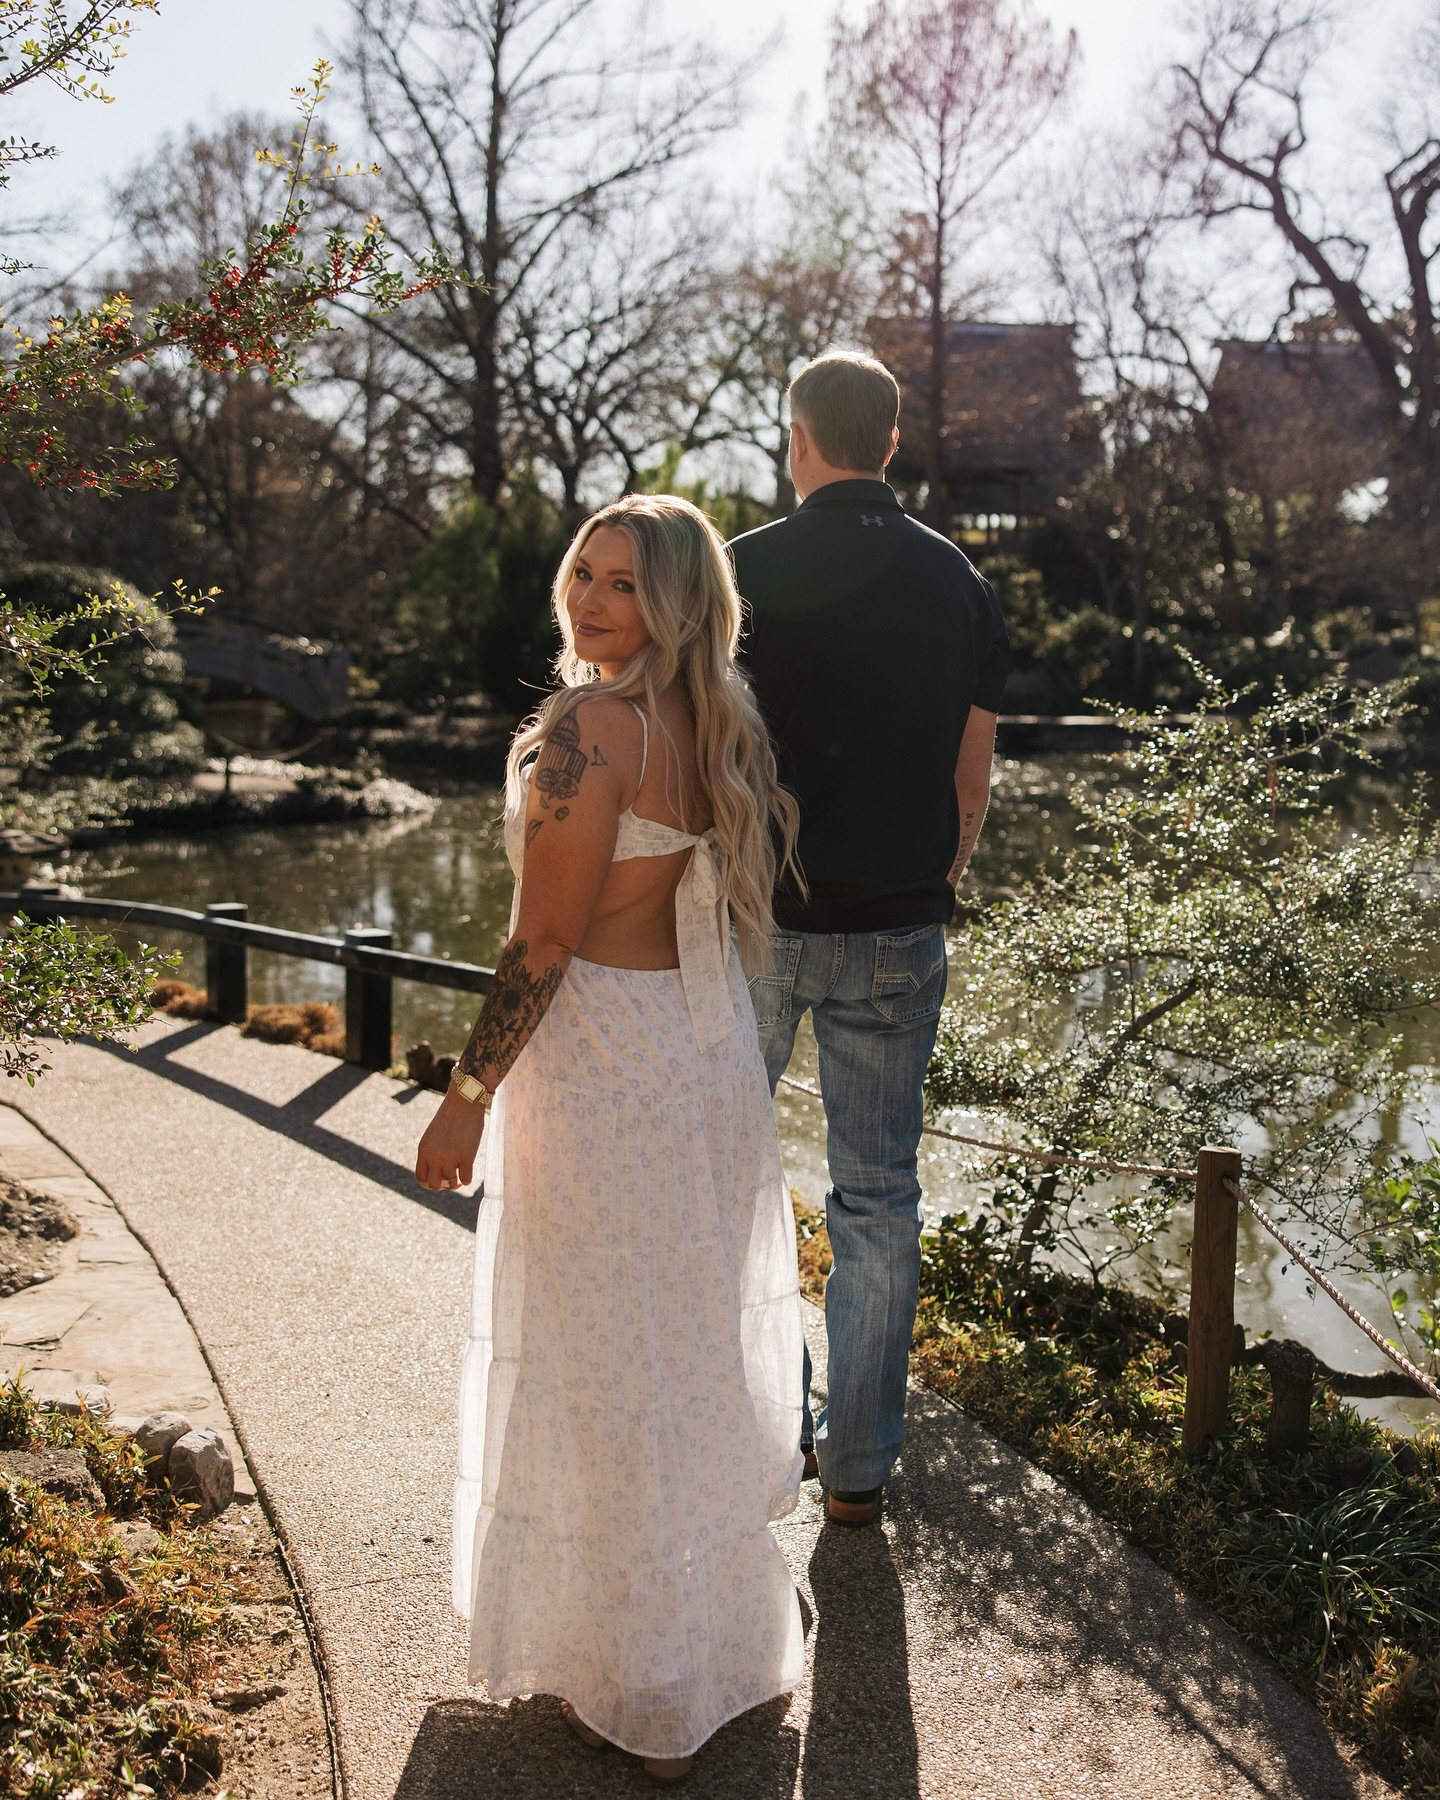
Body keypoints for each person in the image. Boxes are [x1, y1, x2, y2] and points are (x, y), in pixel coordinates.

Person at [415, 494, 807, 1784]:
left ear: (678, 604)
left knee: (606, 1364)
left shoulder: (592, 730)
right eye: (584, 573)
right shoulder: (713, 722)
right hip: (695, 1062)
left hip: (603, 1072)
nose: (590, 601)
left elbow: (544, 939)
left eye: (625, 584)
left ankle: (646, 1684)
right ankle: (690, 1653)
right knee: (676, 1354)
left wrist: (469, 1090)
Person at [730, 350, 1010, 1528]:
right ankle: (857, 1470)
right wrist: (937, 879)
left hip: (758, 921)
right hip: (898, 925)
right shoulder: (958, 581)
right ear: (891, 442)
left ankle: (759, 1433)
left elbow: (702, 760)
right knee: (880, 1199)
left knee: (727, 1176)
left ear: (797, 438)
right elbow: (970, 780)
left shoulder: (744, 571)